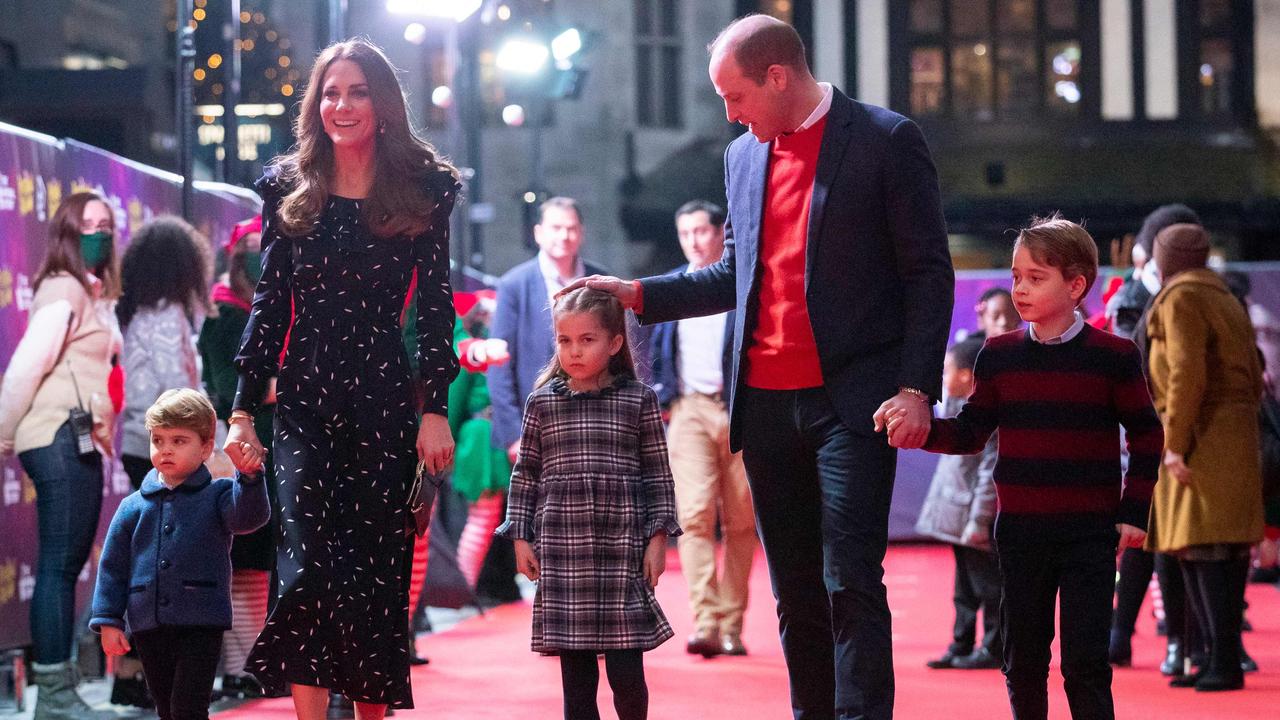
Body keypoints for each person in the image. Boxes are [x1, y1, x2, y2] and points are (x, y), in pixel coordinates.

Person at [564, 15, 953, 719]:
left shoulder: (886, 139)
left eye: (733, 96)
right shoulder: (743, 156)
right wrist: (641, 294)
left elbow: (928, 273)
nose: (728, 113)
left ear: (778, 76)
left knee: (850, 581)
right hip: (767, 408)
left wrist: (917, 387)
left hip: (853, 402)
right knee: (796, 590)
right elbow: (733, 276)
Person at [221, 39, 461, 720]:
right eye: (329, 92)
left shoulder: (425, 188)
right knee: (303, 571)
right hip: (305, 401)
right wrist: (242, 412)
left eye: (356, 91)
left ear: (382, 103)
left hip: (385, 399)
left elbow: (438, 305)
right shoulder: (288, 186)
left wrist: (434, 408)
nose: (341, 104)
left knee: (373, 579)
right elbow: (270, 303)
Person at [894, 215, 1164, 719]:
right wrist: (923, 429)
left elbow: (1148, 433)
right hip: (1019, 533)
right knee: (1022, 662)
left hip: (1091, 534)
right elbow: (972, 432)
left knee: (1086, 666)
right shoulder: (997, 357)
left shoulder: (1114, 356)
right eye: (1016, 276)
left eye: (1036, 278)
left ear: (1077, 285)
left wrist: (1134, 511)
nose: (1019, 289)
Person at [497, 287, 680, 720]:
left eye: (587, 339)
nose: (574, 351)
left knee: (627, 677)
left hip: (622, 551)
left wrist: (657, 538)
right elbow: (526, 474)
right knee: (577, 681)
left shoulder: (639, 400)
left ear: (615, 342)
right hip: (563, 552)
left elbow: (658, 473)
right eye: (564, 341)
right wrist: (520, 536)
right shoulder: (542, 403)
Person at [0, 191, 122, 720]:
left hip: (73, 438)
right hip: (54, 435)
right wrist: (2, 436)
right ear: (66, 235)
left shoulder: (88, 291)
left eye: (106, 225)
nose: (98, 234)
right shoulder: (64, 289)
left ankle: (59, 692)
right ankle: (53, 696)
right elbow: (26, 367)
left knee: (65, 566)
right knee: (57, 567)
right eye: (87, 226)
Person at [89, 389, 270, 720]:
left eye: (179, 440)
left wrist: (250, 478)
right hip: (147, 624)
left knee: (189, 707)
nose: (166, 449)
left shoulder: (218, 494)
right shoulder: (132, 506)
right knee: (166, 708)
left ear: (205, 448)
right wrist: (109, 620)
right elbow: (113, 567)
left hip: (201, 621)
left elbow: (249, 519)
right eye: (158, 440)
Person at [1143, 223, 1264, 692]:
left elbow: (1185, 373)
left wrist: (1174, 444)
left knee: (1201, 548)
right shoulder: (1225, 295)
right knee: (1225, 550)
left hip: (1196, 435)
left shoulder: (1181, 298)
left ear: (1165, 258)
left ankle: (1219, 660)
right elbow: (1256, 371)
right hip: (1232, 434)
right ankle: (1219, 657)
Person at [649, 200, 755, 658]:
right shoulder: (675, 287)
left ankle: (732, 625)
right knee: (692, 517)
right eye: (685, 233)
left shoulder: (743, 283)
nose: (693, 241)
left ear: (720, 234)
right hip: (688, 410)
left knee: (741, 520)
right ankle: (706, 621)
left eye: (701, 232)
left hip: (740, 410)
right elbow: (653, 347)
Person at [1104, 205, 1203, 675]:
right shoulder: (1132, 296)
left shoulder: (1197, 294)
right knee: (1146, 534)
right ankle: (1133, 636)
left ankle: (1184, 641)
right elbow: (1130, 365)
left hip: (1181, 430)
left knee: (1171, 538)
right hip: (1143, 430)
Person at [196, 215, 284, 699]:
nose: (255, 251)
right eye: (246, 244)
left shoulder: (271, 308)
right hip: (238, 447)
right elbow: (228, 388)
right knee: (244, 556)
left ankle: (251, 662)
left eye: (262, 244)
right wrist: (286, 387)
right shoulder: (224, 312)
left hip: (271, 447)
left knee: (260, 559)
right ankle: (240, 665)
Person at [489, 197, 609, 467]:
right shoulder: (514, 285)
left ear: (581, 233)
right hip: (535, 420)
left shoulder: (599, 281)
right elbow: (499, 365)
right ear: (538, 233)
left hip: (593, 418)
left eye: (571, 228)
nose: (564, 236)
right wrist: (513, 436)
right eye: (556, 228)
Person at [915, 337, 1001, 671]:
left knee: (989, 587)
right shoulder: (953, 408)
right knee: (963, 589)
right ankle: (961, 642)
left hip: (973, 519)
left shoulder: (987, 420)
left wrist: (979, 523)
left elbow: (988, 476)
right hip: (955, 516)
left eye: (948, 370)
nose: (943, 376)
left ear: (967, 377)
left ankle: (993, 646)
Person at [118, 216, 211, 488]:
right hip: (165, 446)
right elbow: (178, 389)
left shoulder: (145, 314)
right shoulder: (164, 316)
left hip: (147, 442)